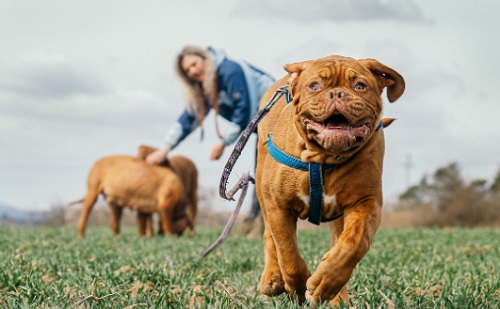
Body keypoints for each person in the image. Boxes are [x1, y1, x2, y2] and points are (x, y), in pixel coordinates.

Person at [146, 45, 275, 237]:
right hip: (263, 127)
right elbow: (189, 118)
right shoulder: (207, 87)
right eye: (187, 71)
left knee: (265, 171)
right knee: (261, 170)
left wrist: (223, 143)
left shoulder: (230, 71)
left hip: (279, 118)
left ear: (205, 59)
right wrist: (165, 148)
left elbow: (245, 109)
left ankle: (260, 223)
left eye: (194, 64)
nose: (192, 71)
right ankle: (255, 222)